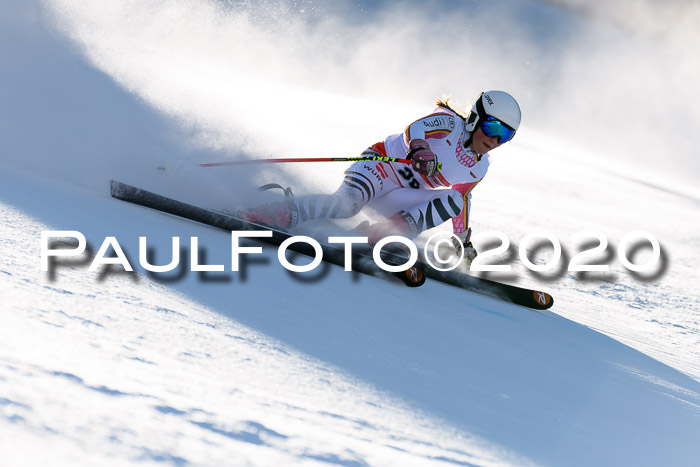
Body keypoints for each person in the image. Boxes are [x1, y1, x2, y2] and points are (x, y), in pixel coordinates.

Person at [240, 90, 521, 260]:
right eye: (493, 127)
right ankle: (274, 212)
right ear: (475, 118)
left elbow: (460, 198)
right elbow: (416, 128)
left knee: (454, 199)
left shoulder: (480, 167)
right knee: (345, 206)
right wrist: (421, 150)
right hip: (378, 168)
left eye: (506, 135)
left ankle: (382, 235)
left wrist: (463, 240)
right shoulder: (451, 124)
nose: (496, 139)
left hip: (401, 195)